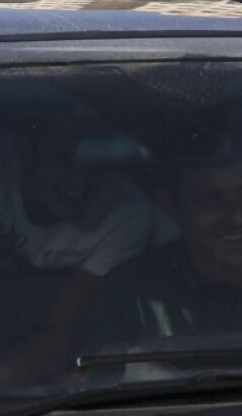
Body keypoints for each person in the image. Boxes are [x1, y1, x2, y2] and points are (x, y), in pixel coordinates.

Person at [0, 125, 153, 389]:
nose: (79, 182)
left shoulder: (128, 210)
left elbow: (63, 329)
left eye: (95, 165)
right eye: (63, 161)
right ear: (26, 150)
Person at [80, 139, 242, 374]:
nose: (237, 217)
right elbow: (103, 392)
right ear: (170, 207)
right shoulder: (130, 292)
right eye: (212, 200)